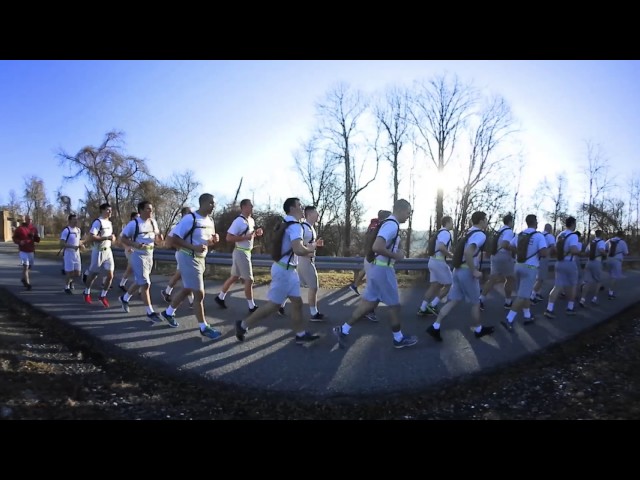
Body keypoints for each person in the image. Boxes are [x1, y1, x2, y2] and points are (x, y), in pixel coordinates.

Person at [332, 199, 418, 349]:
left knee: (369, 303)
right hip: (383, 269)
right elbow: (377, 246)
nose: (408, 216)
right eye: (408, 212)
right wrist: (395, 255)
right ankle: (398, 339)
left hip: (376, 268)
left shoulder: (389, 224)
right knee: (394, 306)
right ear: (400, 210)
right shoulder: (392, 225)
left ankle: (343, 329)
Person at [234, 197, 320, 345]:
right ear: (292, 209)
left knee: (297, 303)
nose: (302, 208)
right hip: (284, 272)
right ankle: (242, 325)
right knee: (273, 306)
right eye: (299, 205)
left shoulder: (286, 223)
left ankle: (300, 334)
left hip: (288, 270)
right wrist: (310, 248)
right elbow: (298, 249)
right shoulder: (295, 226)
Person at [425, 211, 495, 342]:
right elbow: (468, 252)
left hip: (457, 271)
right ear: (480, 221)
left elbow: (467, 251)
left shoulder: (468, 232)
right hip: (467, 272)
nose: (486, 222)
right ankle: (479, 329)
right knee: (475, 303)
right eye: (485, 219)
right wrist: (474, 271)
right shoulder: (480, 234)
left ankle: (435, 326)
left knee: (453, 301)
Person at [160, 193, 222, 338]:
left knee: (187, 289)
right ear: (203, 203)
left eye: (214, 203)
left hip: (201, 259)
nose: (214, 206)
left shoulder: (210, 221)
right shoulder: (190, 218)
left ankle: (168, 313)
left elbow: (207, 241)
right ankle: (203, 327)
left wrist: (213, 240)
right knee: (199, 293)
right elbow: (173, 239)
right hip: (188, 257)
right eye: (211, 203)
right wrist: (193, 247)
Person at [118, 200, 165, 323]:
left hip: (150, 253)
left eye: (152, 209)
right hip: (137, 254)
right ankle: (150, 312)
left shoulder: (153, 222)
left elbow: (157, 239)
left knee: (140, 281)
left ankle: (125, 298)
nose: (151, 211)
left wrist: (159, 239)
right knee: (145, 283)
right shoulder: (134, 224)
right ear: (141, 211)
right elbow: (122, 238)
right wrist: (134, 244)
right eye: (148, 209)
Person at [214, 199, 264, 313]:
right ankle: (251, 306)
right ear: (244, 207)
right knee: (249, 279)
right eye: (250, 205)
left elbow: (249, 236)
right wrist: (245, 238)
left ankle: (220, 297)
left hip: (245, 252)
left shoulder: (251, 221)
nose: (252, 207)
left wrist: (256, 234)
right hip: (241, 252)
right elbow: (229, 238)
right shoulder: (238, 221)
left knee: (234, 277)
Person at [500, 214, 548, 332]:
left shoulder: (520, 234)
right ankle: (509, 319)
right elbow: (544, 253)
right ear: (535, 222)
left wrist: (520, 253)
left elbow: (510, 246)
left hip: (518, 265)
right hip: (530, 268)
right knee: (522, 296)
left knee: (524, 293)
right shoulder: (539, 236)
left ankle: (527, 316)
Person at [543, 216, 580, 319]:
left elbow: (556, 249)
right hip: (570, 263)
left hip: (559, 262)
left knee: (557, 286)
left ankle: (549, 309)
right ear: (572, 224)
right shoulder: (573, 236)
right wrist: (579, 252)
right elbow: (573, 250)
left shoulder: (560, 235)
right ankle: (570, 308)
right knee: (572, 286)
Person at [349, 210, 392, 298]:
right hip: (374, 255)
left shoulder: (373, 226)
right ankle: (369, 304)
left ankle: (355, 286)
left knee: (367, 271)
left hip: (369, 253)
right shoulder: (380, 227)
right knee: (373, 279)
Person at [417, 215, 454, 316]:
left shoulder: (438, 232)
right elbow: (442, 247)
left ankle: (422, 308)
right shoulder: (446, 233)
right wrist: (452, 255)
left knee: (434, 286)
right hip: (439, 262)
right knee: (449, 284)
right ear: (448, 222)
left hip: (432, 261)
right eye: (452, 222)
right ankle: (433, 305)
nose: (452, 224)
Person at [479, 213, 515, 310]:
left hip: (494, 255)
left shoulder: (500, 230)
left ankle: (481, 299)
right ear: (510, 222)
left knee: (492, 279)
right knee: (510, 278)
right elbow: (505, 245)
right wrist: (515, 249)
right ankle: (508, 302)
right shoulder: (508, 231)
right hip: (504, 256)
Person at [83, 203, 116, 307]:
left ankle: (103, 296)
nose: (110, 212)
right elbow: (93, 236)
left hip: (108, 251)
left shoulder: (109, 223)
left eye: (111, 210)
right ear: (102, 210)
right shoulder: (98, 222)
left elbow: (111, 237)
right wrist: (107, 238)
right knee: (93, 275)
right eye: (108, 210)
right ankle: (87, 291)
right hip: (98, 251)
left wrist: (113, 238)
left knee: (110, 276)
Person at [161, 207, 195, 308]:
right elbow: (169, 240)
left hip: (189, 255)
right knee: (187, 277)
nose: (192, 215)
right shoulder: (180, 225)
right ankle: (192, 302)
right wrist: (181, 248)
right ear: (184, 214)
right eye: (190, 213)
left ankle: (167, 292)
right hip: (182, 254)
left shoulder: (191, 224)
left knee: (180, 275)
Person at [298, 205, 326, 321]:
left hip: (306, 260)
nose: (318, 215)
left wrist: (315, 245)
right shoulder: (303, 228)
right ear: (309, 214)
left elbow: (308, 244)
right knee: (313, 286)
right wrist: (309, 251)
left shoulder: (311, 228)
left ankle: (279, 306)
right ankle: (314, 313)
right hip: (304, 260)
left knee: (293, 285)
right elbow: (297, 245)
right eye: (316, 213)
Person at [12, 214, 40, 290]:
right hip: (23, 251)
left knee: (29, 266)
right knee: (26, 266)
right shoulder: (20, 228)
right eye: (28, 219)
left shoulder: (34, 228)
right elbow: (14, 238)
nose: (30, 220)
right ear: (25, 219)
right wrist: (19, 242)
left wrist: (34, 236)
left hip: (31, 250)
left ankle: (23, 278)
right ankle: (28, 284)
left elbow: (37, 240)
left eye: (31, 219)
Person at [580, 229, 607, 307]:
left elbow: (586, 253)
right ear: (601, 234)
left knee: (587, 282)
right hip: (597, 262)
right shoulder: (601, 242)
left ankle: (582, 300)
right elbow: (602, 250)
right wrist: (605, 255)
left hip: (589, 262)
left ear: (595, 234)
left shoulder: (591, 242)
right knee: (599, 281)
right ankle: (594, 299)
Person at [530, 223, 556, 303]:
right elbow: (553, 248)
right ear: (550, 229)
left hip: (535, 258)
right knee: (541, 278)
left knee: (537, 277)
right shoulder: (550, 236)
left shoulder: (539, 235)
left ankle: (538, 293)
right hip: (544, 258)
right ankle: (532, 296)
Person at [60, 214, 84, 294]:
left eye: (76, 219)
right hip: (69, 254)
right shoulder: (66, 230)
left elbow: (79, 240)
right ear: (70, 220)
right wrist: (72, 247)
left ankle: (71, 281)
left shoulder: (78, 230)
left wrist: (82, 245)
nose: (76, 221)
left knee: (77, 272)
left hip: (77, 254)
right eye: (74, 219)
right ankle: (66, 287)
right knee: (69, 272)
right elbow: (62, 243)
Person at [118, 211, 140, 292]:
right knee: (135, 266)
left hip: (137, 250)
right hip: (130, 250)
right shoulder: (129, 226)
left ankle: (122, 283)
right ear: (132, 218)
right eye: (136, 217)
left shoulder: (139, 226)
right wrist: (127, 247)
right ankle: (140, 287)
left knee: (131, 268)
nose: (138, 218)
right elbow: (121, 239)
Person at [605, 230, 629, 300]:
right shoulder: (622, 242)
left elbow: (604, 248)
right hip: (617, 260)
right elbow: (626, 253)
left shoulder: (609, 240)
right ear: (622, 235)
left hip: (609, 259)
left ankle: (610, 289)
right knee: (615, 277)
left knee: (611, 275)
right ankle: (610, 293)